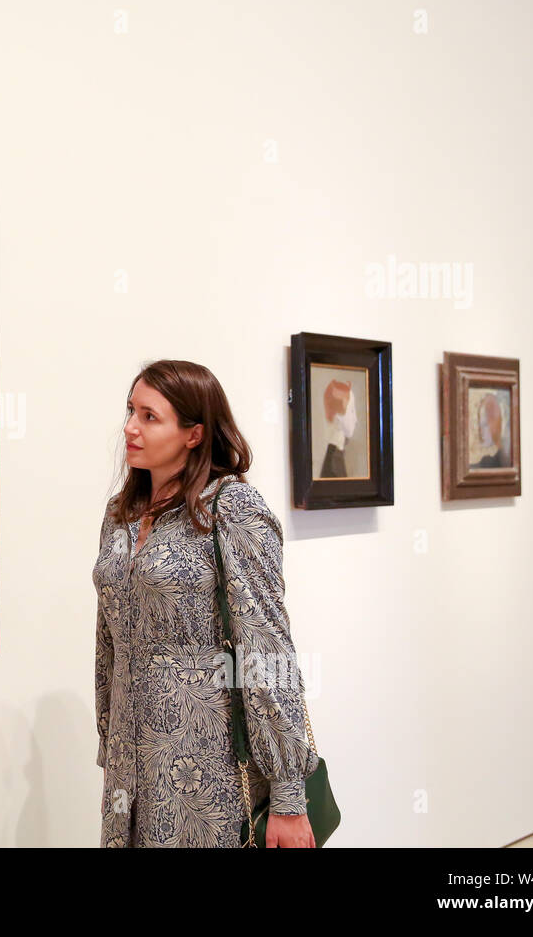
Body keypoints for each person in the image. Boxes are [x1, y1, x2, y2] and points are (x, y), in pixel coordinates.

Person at [93, 359, 319, 847]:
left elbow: (267, 647)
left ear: (193, 434)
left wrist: (286, 793)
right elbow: (108, 641)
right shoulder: (121, 515)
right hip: (131, 765)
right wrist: (108, 739)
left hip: (207, 764)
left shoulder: (232, 509)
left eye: (150, 417)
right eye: (130, 411)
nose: (130, 427)